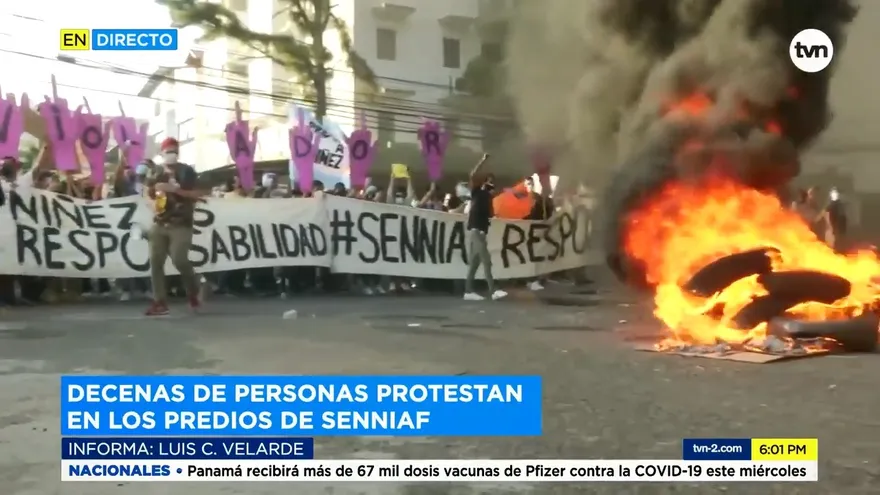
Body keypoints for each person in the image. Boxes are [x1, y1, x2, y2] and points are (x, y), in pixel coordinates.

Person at [144, 138, 205, 316]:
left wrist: (174, 190)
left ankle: (194, 289)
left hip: (181, 223)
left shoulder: (187, 171)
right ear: (161, 153)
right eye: (168, 150)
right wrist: (152, 204)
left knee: (179, 259)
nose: (171, 153)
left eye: (174, 150)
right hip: (160, 222)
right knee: (155, 261)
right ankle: (159, 301)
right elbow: (146, 193)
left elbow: (197, 194)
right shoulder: (155, 171)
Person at [463, 153, 507, 301]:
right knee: (486, 261)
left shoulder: (489, 200)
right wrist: (483, 160)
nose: (490, 185)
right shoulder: (477, 193)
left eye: (492, 183)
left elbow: (490, 216)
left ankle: (468, 291)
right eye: (488, 182)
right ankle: (493, 290)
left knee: (474, 265)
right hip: (475, 232)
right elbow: (472, 174)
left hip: (481, 233)